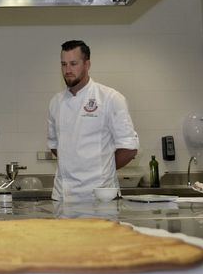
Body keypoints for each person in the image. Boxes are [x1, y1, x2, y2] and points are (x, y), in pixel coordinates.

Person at [47, 40, 139, 202]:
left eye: (73, 64)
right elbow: (55, 146)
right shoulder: (56, 102)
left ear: (87, 64)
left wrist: (99, 170)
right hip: (63, 196)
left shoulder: (110, 98)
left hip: (101, 195)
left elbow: (129, 149)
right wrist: (75, 163)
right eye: (64, 64)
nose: (68, 70)